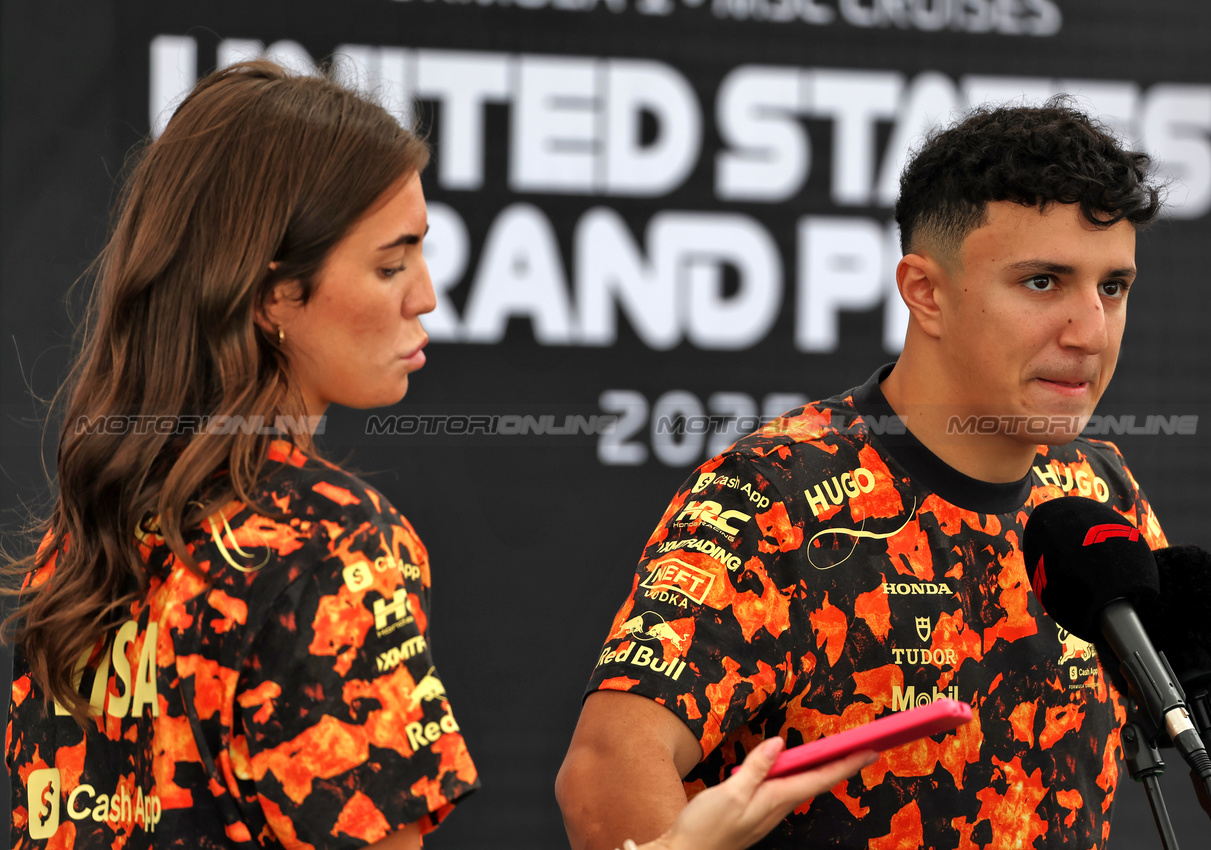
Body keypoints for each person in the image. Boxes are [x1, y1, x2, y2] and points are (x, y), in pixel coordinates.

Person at [3, 59, 874, 849]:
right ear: (273, 292)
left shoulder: (82, 541)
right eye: (391, 264)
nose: (425, 295)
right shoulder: (330, 548)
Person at [557, 99, 1211, 849]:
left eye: (1112, 288)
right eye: (1041, 283)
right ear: (924, 292)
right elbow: (606, 772)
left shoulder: (1095, 485)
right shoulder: (775, 493)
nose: (1089, 331)